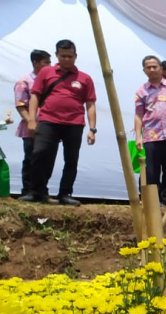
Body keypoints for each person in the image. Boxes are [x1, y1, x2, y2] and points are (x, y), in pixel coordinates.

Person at [24, 39, 96, 206]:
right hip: (48, 120)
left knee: (71, 159)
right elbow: (35, 95)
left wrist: (93, 129)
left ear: (75, 56)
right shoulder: (46, 72)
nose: (66, 59)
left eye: (70, 56)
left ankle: (65, 193)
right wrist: (32, 119)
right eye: (63, 56)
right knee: (41, 153)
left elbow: (90, 104)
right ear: (57, 55)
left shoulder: (85, 78)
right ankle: (37, 192)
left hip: (75, 123)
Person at [134, 55, 166, 205]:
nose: (152, 69)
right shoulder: (142, 90)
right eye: (149, 67)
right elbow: (139, 115)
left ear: (161, 68)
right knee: (151, 170)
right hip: (151, 135)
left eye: (155, 66)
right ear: (144, 70)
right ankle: (152, 201)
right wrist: (138, 137)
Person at [13, 49, 51, 198]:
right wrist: (31, 121)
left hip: (48, 126)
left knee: (46, 158)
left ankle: (42, 191)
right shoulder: (24, 81)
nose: (49, 65)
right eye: (46, 62)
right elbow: (20, 105)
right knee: (31, 157)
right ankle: (28, 190)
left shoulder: (49, 80)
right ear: (35, 62)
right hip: (31, 126)